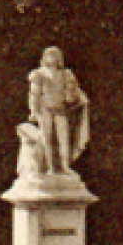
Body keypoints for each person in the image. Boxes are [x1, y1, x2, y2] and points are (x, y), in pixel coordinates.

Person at [27, 46, 90, 176]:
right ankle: (50, 167)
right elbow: (34, 94)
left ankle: (65, 166)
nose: (53, 58)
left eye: (55, 55)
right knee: (47, 138)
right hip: (45, 109)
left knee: (63, 138)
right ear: (45, 58)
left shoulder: (66, 74)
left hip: (60, 108)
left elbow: (73, 92)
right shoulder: (39, 74)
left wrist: (76, 96)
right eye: (50, 55)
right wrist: (33, 111)